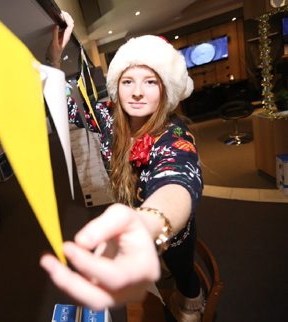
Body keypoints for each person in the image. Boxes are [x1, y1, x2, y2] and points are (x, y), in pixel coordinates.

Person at [40, 12, 204, 321]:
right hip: (131, 218)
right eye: (128, 81)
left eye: (150, 82)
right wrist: (54, 59)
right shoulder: (107, 115)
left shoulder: (175, 136)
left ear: (165, 90)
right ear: (118, 86)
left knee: (184, 275)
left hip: (173, 234)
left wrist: (149, 224)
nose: (137, 92)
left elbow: (178, 181)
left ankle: (192, 300)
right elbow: (62, 108)